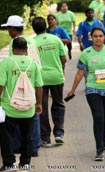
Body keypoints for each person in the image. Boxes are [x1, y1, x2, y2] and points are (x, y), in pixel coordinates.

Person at [66, 27, 105, 161]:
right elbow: (80, 73)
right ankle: (99, 149)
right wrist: (72, 90)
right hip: (92, 88)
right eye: (95, 36)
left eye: (100, 36)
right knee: (98, 116)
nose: (98, 38)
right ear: (91, 37)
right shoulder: (86, 53)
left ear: (104, 37)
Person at [0, 37, 43, 172]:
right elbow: (39, 86)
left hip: (10, 108)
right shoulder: (33, 64)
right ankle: (25, 162)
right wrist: (39, 103)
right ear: (26, 50)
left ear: (12, 49)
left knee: (7, 136)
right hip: (28, 108)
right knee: (27, 136)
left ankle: (9, 164)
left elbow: (1, 85)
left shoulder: (6, 63)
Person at [32, 17, 67, 147]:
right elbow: (63, 58)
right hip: (56, 77)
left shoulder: (33, 42)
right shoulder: (56, 39)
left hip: (40, 79)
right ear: (45, 26)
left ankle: (45, 138)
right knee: (58, 104)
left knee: (42, 106)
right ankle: (59, 133)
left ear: (34, 28)